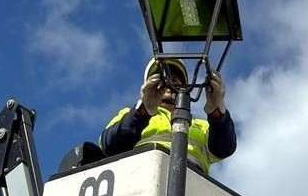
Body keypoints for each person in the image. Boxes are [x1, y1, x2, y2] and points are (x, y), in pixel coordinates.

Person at [98, 57, 237, 174]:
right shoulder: (130, 114)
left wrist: (217, 112)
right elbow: (110, 146)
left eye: (176, 79)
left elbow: (224, 148)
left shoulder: (201, 125)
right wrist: (143, 110)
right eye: (162, 78)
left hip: (192, 190)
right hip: (141, 181)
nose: (170, 82)